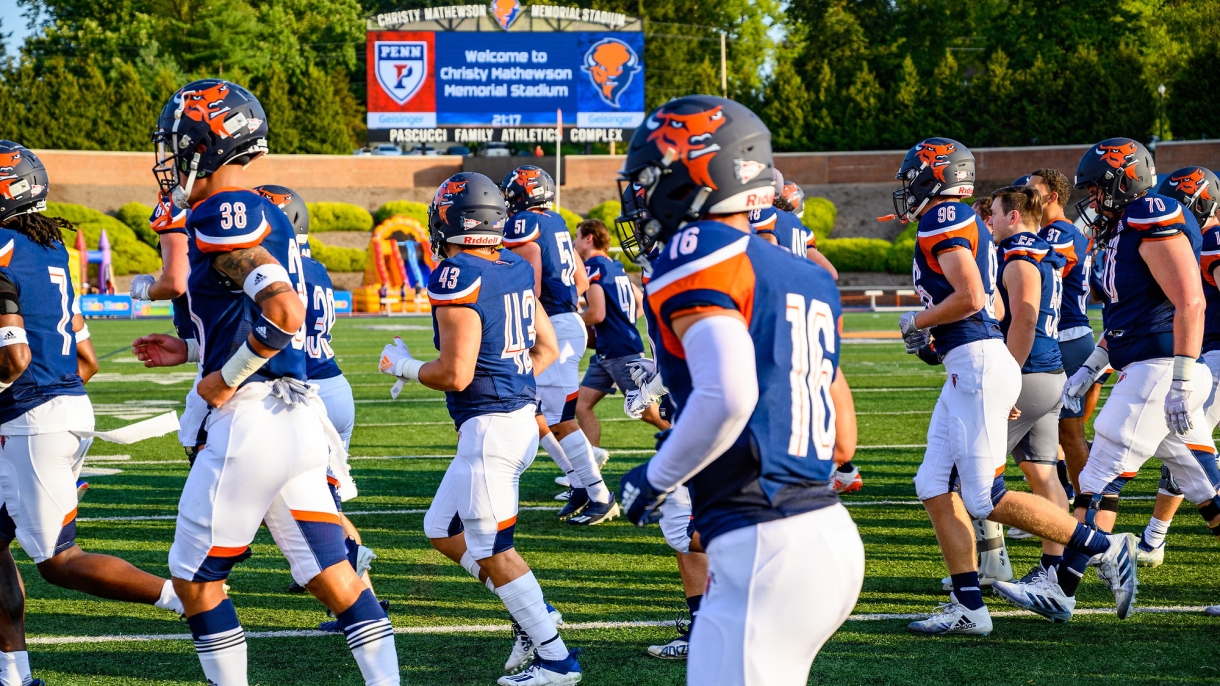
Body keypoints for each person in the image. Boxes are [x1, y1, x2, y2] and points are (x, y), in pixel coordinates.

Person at [148, 79, 398, 685]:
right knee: (331, 574)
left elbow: (284, 312)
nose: (171, 158)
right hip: (297, 416)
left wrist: (222, 379)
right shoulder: (266, 208)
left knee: (195, 579)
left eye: (179, 144)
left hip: (254, 417)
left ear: (206, 145)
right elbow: (249, 310)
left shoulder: (220, 211)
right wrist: (191, 350)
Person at [615, 95, 864, 685]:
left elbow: (727, 396)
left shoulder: (700, 251)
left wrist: (653, 480)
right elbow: (840, 439)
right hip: (818, 528)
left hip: (769, 545)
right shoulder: (800, 270)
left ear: (705, 169)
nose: (643, 189)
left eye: (656, 170)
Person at [894, 138, 1138, 634]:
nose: (907, 185)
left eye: (912, 174)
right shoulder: (970, 223)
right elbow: (994, 306)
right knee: (933, 484)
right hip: (975, 361)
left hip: (977, 363)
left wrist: (917, 320)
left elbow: (968, 297)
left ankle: (1105, 546)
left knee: (983, 496)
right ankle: (969, 607)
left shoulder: (944, 217)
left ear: (933, 174)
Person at [997, 139, 1220, 623]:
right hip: (1148, 367)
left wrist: (1182, 377)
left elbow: (1190, 301)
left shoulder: (1152, 214)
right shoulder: (1123, 230)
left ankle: (1061, 588)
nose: (1092, 201)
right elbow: (1125, 321)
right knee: (1204, 486)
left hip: (1160, 372)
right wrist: (1088, 370)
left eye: (1098, 190)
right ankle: (1063, 587)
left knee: (1097, 479)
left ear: (1125, 180)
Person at [380, 172, 582, 686]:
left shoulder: (457, 274)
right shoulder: (513, 264)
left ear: (450, 220)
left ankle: (556, 657)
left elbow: (455, 373)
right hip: (512, 419)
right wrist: (510, 378)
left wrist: (401, 364)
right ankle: (530, 613)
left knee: (494, 547)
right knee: (442, 529)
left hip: (492, 427)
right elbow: (548, 348)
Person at [0, 141, 172, 686]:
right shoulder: (47, 248)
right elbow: (88, 360)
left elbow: (14, 358)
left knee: (58, 561)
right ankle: (13, 674)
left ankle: (192, 599)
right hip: (57, 408)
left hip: (32, 417)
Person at [254, 185, 384, 623]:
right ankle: (326, 569)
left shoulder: (272, 269)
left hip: (304, 394)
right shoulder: (316, 268)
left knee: (320, 503)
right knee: (320, 499)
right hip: (332, 383)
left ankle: (363, 595)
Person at [500, 166, 618, 525]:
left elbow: (530, 284)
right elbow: (580, 279)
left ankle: (599, 494)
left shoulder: (525, 224)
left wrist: (522, 308)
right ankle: (583, 483)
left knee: (561, 418)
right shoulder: (558, 222)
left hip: (552, 327)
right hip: (563, 323)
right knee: (534, 412)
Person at [1120, 167, 1220, 568]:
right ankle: (1153, 537)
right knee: (1190, 451)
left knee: (1193, 452)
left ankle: (1154, 539)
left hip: (1213, 354)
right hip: (1206, 353)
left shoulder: (1212, 237)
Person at [989, 185, 1069, 582]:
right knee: (1043, 475)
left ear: (1014, 216)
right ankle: (1053, 569)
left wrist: (1006, 376)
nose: (989, 220)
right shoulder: (1042, 250)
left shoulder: (1019, 254)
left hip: (1027, 374)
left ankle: (988, 567)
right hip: (1048, 374)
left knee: (966, 475)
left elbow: (1024, 317)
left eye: (995, 213)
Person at [1026, 169, 1092, 500]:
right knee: (1055, 430)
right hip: (1066, 334)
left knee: (1069, 432)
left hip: (1066, 335)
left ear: (1052, 196)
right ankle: (1060, 500)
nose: (1026, 193)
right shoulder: (1056, 232)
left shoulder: (1059, 233)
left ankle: (1086, 509)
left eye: (1032, 188)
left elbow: (1034, 272)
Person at [572, 218, 669, 445]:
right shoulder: (615, 266)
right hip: (610, 349)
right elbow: (639, 300)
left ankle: (692, 451)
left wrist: (570, 321)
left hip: (619, 352)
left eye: (577, 236)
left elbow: (597, 314)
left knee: (648, 411)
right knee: (582, 405)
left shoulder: (593, 268)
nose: (575, 241)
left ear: (589, 238)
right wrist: (623, 320)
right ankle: (589, 468)